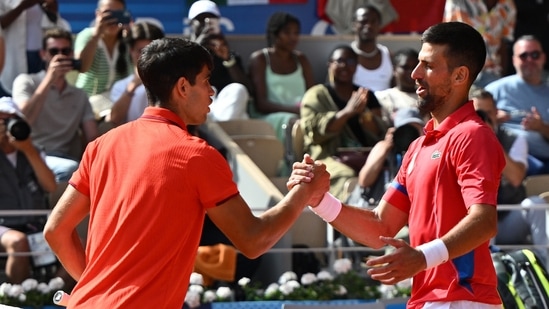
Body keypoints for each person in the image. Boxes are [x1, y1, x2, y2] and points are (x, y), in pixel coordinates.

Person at [42, 38, 330, 308]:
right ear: (182, 88)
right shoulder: (197, 155)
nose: (212, 91)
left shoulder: (101, 146)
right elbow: (253, 240)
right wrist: (304, 191)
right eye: (206, 81)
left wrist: (95, 290)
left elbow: (56, 231)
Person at [291, 22, 506, 308]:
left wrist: (422, 258)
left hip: (463, 299)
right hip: (429, 299)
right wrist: (319, 200)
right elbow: (380, 226)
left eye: (428, 65)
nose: (415, 74)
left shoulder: (473, 134)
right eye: (418, 63)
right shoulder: (419, 146)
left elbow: (483, 221)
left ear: (460, 76)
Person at [12, 27, 99, 182]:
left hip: (65, 158)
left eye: (65, 51)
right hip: (31, 155)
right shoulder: (26, 81)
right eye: (53, 51)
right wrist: (48, 80)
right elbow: (22, 120)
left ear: (71, 55)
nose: (60, 56)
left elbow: (92, 137)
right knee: (70, 170)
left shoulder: (79, 95)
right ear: (43, 54)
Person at [471, 88, 548, 263]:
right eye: (477, 113)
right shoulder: (458, 139)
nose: (483, 118)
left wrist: (491, 140)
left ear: (496, 113)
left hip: (507, 221)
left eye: (488, 113)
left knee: (536, 204)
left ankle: (546, 267)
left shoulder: (513, 139)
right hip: (474, 224)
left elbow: (516, 178)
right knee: (482, 210)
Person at [300, 44, 385, 200]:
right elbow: (314, 133)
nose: (345, 66)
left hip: (367, 156)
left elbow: (381, 133)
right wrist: (347, 112)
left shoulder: (366, 95)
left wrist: (368, 120)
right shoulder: (317, 95)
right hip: (329, 157)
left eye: (351, 62)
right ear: (330, 65)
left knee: (390, 173)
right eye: (339, 61)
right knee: (347, 177)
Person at [0, 97, 57, 283]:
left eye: (11, 119)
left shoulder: (34, 150)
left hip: (35, 223)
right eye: (1, 120)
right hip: (4, 226)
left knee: (78, 245)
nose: (6, 126)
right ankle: (13, 298)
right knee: (18, 242)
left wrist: (28, 150)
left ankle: (49, 294)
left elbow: (50, 186)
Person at [485, 35, 549, 175]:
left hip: (543, 158)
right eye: (523, 56)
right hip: (510, 157)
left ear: (543, 58)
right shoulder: (495, 90)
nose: (530, 60)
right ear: (514, 60)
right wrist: (493, 118)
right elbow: (473, 120)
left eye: (535, 55)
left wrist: (541, 127)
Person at [248, 11, 315, 144]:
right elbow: (261, 104)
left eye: (296, 33)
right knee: (296, 124)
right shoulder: (260, 59)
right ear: (275, 34)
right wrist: (295, 110)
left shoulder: (302, 59)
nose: (293, 37)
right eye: (287, 32)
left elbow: (313, 94)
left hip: (302, 115)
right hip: (270, 117)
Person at [348, 107, 425, 207]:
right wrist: (386, 146)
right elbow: (364, 181)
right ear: (395, 131)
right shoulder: (383, 147)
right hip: (373, 205)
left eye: (414, 130)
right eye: (405, 130)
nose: (409, 136)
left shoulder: (425, 152)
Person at [74, 0, 132, 118]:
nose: (112, 19)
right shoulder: (87, 36)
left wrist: (133, 37)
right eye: (108, 14)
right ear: (98, 15)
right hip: (88, 101)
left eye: (117, 14)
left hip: (117, 102)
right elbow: (82, 67)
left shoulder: (127, 40)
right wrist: (96, 35)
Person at [0, 0, 69, 97]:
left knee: (41, 99)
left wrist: (51, 8)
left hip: (42, 57)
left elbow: (55, 22)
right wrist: (22, 6)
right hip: (12, 60)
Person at [444, 0, 516, 88]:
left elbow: (503, 45)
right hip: (460, 70)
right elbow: (447, 39)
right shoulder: (459, 2)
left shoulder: (508, 5)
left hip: (491, 73)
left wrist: (501, 78)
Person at [109, 22, 165, 126]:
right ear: (131, 51)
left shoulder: (172, 82)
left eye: (152, 50)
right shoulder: (120, 87)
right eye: (141, 51)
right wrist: (133, 86)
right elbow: (114, 119)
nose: (147, 56)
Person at [199, 33, 252, 121]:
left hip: (229, 105)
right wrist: (199, 48)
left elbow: (247, 89)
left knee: (238, 89)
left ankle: (219, 130)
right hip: (206, 106)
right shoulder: (194, 57)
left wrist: (227, 59)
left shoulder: (232, 57)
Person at [351, 5, 394, 92]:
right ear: (354, 25)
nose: (368, 26)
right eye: (363, 21)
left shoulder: (388, 55)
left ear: (379, 26)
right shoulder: (345, 56)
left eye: (373, 22)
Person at [374, 48, 420, 125]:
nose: (411, 72)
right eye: (405, 67)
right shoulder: (383, 97)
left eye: (415, 67)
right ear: (394, 69)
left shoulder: (428, 97)